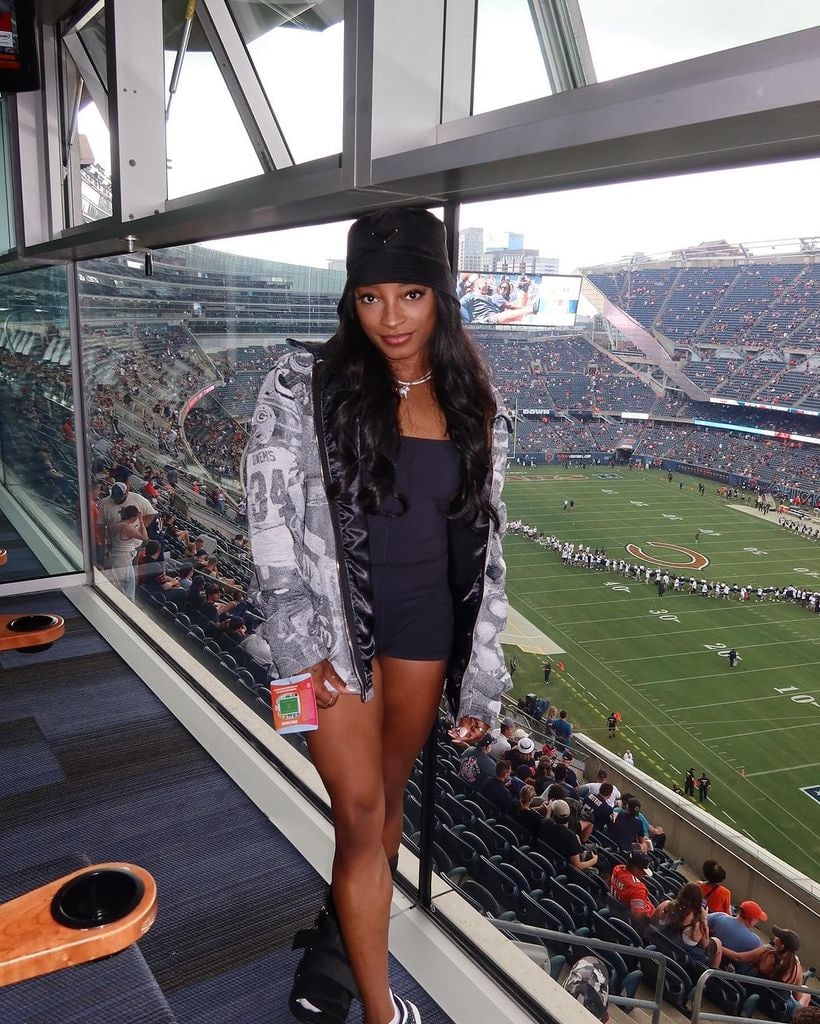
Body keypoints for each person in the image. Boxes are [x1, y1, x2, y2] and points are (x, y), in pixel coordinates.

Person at [246, 208, 512, 1024]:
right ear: (349, 302)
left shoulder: (476, 409)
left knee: (387, 802)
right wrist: (295, 643)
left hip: (426, 635)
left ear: (441, 296)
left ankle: (340, 932)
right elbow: (267, 520)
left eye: (409, 295)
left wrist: (484, 678)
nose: (390, 319)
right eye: (370, 298)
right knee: (359, 814)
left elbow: (488, 551)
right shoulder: (302, 385)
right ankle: (380, 1006)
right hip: (328, 641)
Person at [722, 928, 809, 1006]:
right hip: (775, 1005)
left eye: (777, 937)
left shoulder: (766, 952)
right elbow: (797, 997)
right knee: (806, 993)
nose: (775, 937)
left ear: (782, 945)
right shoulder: (797, 969)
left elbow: (739, 957)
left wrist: (720, 947)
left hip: (754, 991)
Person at [656, 883, 722, 967]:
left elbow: (653, 920)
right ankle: (712, 978)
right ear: (698, 902)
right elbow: (705, 944)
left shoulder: (666, 906)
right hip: (682, 962)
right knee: (717, 942)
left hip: (661, 945)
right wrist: (704, 919)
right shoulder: (696, 924)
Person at [107, 505, 146, 601]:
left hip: (117, 557)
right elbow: (145, 537)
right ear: (132, 517)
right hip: (123, 561)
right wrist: (141, 520)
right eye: (136, 516)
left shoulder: (117, 524)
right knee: (125, 591)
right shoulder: (126, 528)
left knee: (125, 587)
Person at [609, 850, 655, 920]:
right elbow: (638, 916)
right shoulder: (638, 889)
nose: (645, 874)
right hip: (629, 921)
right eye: (643, 871)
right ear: (636, 869)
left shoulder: (617, 869)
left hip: (615, 910)